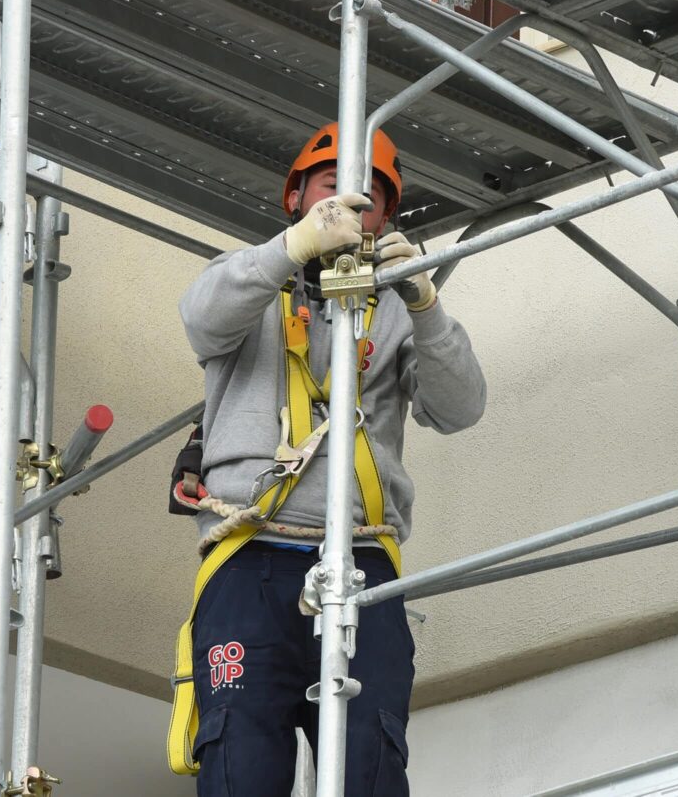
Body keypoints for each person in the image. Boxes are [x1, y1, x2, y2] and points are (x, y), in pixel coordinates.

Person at [165, 122, 487, 794]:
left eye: (367, 196)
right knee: (240, 761)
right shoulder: (251, 281)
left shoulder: (394, 312)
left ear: (388, 218)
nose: (348, 204)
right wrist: (294, 250)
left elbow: (459, 407)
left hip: (361, 560)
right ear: (296, 198)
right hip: (247, 560)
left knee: (369, 757)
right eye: (329, 189)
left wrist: (425, 304)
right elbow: (201, 317)